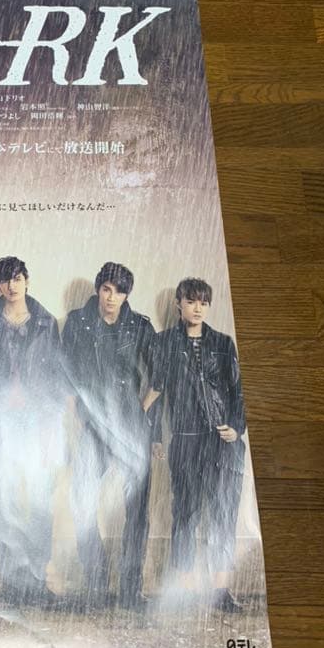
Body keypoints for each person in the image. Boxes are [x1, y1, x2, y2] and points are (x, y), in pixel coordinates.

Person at [62, 262, 159, 610]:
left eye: (119, 292)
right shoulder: (78, 322)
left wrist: (141, 410)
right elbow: (65, 373)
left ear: (126, 295)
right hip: (93, 425)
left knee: (137, 509)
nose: (111, 297)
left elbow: (160, 374)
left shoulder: (140, 326)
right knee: (82, 500)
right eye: (106, 289)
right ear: (98, 289)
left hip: (131, 426)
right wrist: (76, 419)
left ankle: (131, 590)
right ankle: (96, 583)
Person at [0, 256, 65, 607]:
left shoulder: (46, 322)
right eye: (5, 280)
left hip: (38, 422)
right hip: (0, 422)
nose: (12, 286)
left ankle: (37, 579)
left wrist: (53, 425)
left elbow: (56, 377)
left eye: (18, 278)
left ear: (27, 281)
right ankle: (11, 582)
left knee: (40, 501)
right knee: (4, 502)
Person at [149, 278, 246, 613]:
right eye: (191, 301)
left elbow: (238, 392)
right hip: (187, 440)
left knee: (223, 516)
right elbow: (157, 392)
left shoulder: (223, 343)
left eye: (203, 302)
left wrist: (237, 428)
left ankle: (221, 590)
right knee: (185, 515)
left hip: (223, 443)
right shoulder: (164, 342)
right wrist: (156, 437)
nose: (198, 308)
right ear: (178, 304)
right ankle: (187, 588)